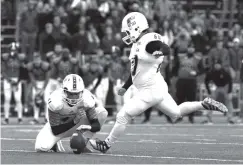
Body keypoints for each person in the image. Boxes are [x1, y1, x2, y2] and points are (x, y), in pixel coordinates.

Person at [89, 12, 228, 153]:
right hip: (156, 86)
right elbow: (136, 72)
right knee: (176, 113)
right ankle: (203, 104)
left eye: (127, 30)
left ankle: (106, 144)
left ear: (136, 28)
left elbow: (164, 47)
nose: (126, 34)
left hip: (149, 89)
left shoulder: (147, 40)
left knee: (123, 115)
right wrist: (125, 87)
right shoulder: (137, 44)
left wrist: (160, 51)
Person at [35, 74, 108, 153]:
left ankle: (83, 143)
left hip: (78, 125)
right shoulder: (56, 100)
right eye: (71, 93)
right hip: (59, 126)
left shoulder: (87, 98)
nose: (73, 97)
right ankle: (55, 143)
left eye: (76, 94)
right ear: (65, 91)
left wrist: (88, 128)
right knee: (41, 147)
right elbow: (55, 130)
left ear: (81, 92)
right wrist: (74, 121)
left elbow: (96, 125)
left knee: (102, 112)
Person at [1, 42, 25, 124]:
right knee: (7, 99)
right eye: (11, 50)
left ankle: (20, 118)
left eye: (14, 50)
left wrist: (18, 81)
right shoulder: (5, 58)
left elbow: (22, 70)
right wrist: (9, 80)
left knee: (18, 99)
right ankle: (6, 118)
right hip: (8, 80)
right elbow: (3, 71)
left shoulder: (20, 58)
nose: (13, 51)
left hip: (17, 79)